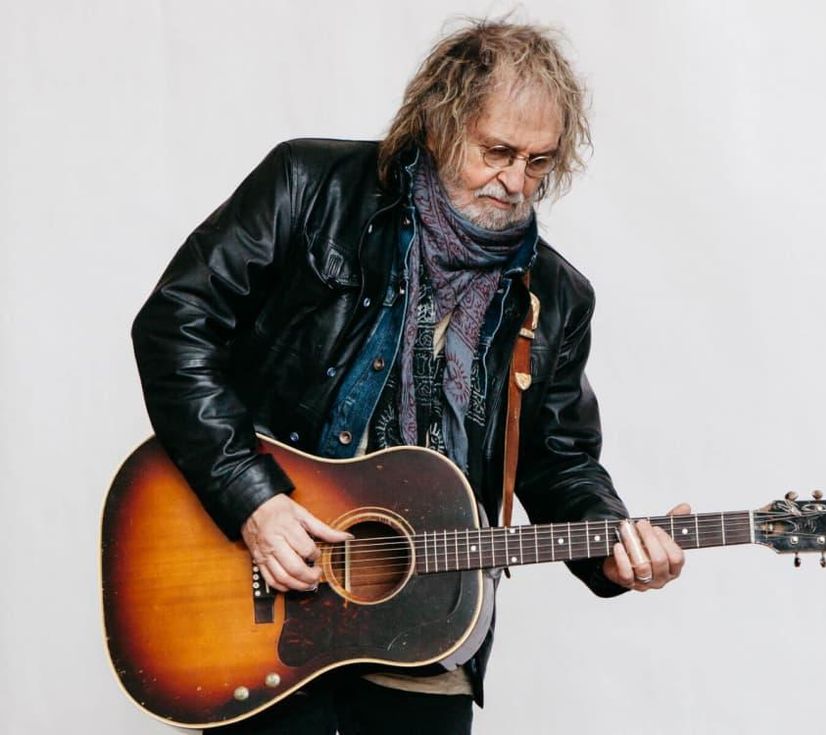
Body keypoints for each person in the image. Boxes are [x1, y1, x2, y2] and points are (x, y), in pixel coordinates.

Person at [132, 18, 688, 735]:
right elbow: (176, 322)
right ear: (438, 123)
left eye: (539, 162)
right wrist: (251, 497)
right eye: (497, 151)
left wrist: (612, 547)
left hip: (430, 626)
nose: (516, 181)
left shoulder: (555, 298)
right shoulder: (309, 188)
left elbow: (559, 459)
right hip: (264, 596)